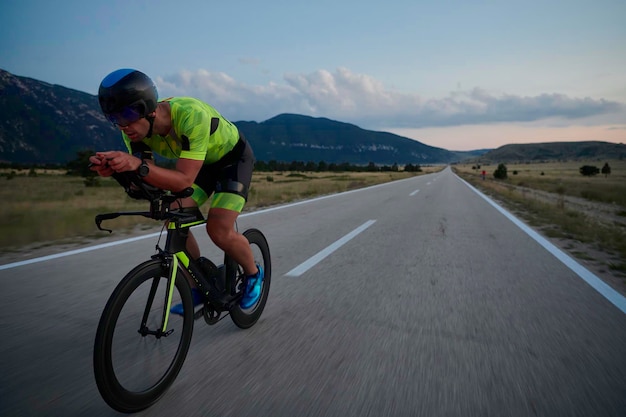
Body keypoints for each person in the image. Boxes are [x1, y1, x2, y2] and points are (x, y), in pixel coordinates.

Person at [89, 68, 263, 312]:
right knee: (173, 218)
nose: (122, 125)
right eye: (114, 118)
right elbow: (147, 183)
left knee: (218, 228)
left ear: (147, 108)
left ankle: (254, 274)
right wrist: (120, 172)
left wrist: (136, 164)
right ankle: (197, 286)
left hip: (232, 161)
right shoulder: (134, 133)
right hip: (198, 165)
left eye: (126, 114)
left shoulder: (191, 115)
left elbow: (182, 181)